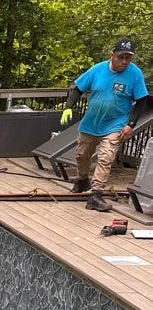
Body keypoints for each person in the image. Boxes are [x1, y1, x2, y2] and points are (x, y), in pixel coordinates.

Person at [60, 37, 148, 212]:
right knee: (81, 155)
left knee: (106, 157)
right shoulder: (98, 70)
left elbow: (142, 100)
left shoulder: (134, 74)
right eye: (121, 57)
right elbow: (78, 89)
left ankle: (96, 195)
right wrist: (68, 107)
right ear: (112, 55)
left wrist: (131, 124)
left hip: (115, 124)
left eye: (128, 58)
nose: (124, 61)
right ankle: (82, 180)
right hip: (91, 122)